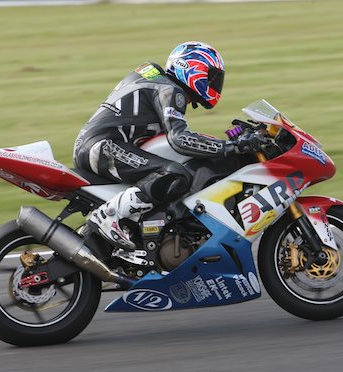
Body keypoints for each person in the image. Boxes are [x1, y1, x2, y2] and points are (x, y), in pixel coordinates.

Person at [73, 41, 262, 250]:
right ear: (192, 69)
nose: (215, 84)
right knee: (174, 173)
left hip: (98, 145)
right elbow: (179, 138)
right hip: (103, 147)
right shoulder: (169, 89)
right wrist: (230, 147)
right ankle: (108, 216)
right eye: (212, 77)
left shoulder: (157, 81)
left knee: (166, 171)